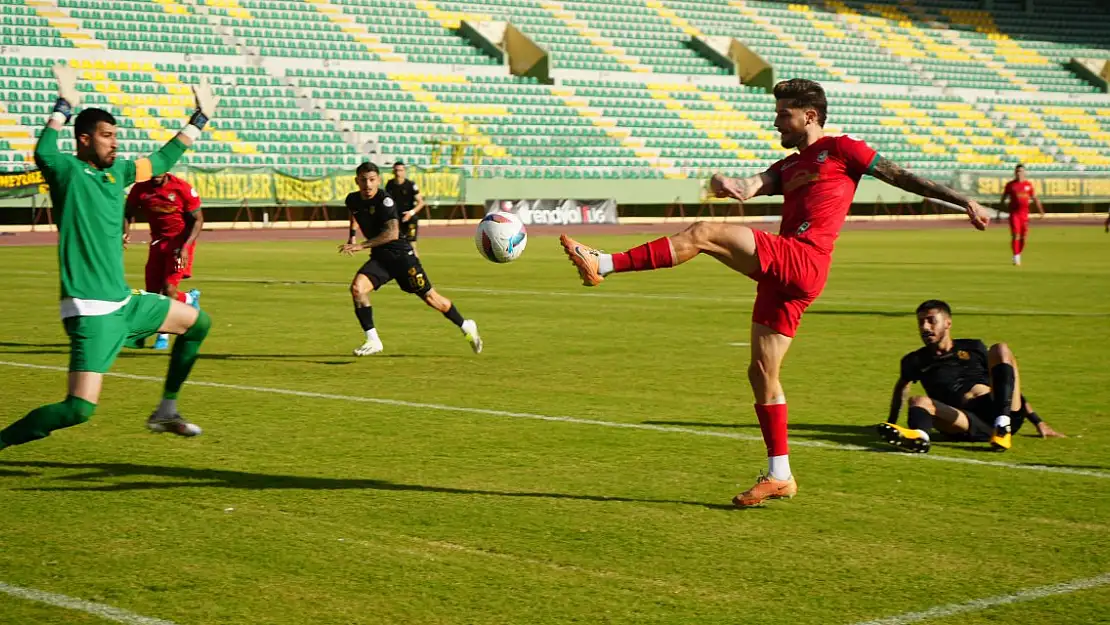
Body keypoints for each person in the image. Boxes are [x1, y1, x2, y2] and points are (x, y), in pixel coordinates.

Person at [558, 78, 991, 507]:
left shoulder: (842, 149)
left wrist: (962, 201)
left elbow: (901, 176)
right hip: (787, 274)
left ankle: (605, 263)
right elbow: (748, 188)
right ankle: (780, 473)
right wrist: (725, 183)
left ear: (810, 116)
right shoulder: (788, 166)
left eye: (783, 114)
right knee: (761, 373)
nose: (775, 122)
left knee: (704, 233)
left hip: (804, 259)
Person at [0, 64, 218, 450]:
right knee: (78, 410)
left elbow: (161, 160)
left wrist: (198, 120)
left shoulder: (118, 172)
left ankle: (166, 410)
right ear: (84, 140)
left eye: (116, 136)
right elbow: (43, 150)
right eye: (106, 137)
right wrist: (64, 104)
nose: (114, 144)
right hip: (90, 311)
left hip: (124, 303)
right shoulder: (66, 170)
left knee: (198, 324)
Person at [878, 300, 1064, 453]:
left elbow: (1005, 381)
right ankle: (919, 438)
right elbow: (901, 387)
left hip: (1001, 410)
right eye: (921, 322)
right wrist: (891, 422)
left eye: (931, 320)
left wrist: (1038, 421)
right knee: (918, 401)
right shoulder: (915, 360)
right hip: (965, 419)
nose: (925, 327)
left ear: (948, 323)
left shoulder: (973, 347)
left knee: (1000, 349)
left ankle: (1002, 426)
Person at [341, 162, 481, 356]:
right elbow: (354, 213)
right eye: (363, 180)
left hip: (402, 259)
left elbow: (392, 233)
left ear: (378, 180)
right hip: (381, 259)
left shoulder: (385, 200)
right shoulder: (352, 199)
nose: (368, 184)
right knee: (357, 289)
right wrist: (352, 234)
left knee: (432, 298)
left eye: (372, 180)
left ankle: (466, 325)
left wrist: (360, 245)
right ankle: (373, 340)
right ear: (357, 181)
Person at [125, 172, 203, 349]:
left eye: (158, 172)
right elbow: (127, 212)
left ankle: (163, 336)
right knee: (152, 293)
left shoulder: (181, 188)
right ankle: (189, 298)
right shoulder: (140, 188)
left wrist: (185, 247)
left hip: (180, 243)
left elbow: (198, 220)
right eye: (151, 173)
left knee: (168, 289)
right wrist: (125, 231)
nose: (154, 176)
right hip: (157, 243)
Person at [999, 164, 1044, 266]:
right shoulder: (1010, 185)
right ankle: (1016, 256)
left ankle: (1018, 253)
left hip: (1024, 215)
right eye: (1018, 171)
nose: (1019, 173)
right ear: (1015, 172)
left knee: (1023, 237)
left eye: (1021, 171)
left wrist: (1041, 211)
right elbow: (1003, 198)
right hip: (1014, 214)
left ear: (1024, 173)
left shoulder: (1028, 185)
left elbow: (1035, 198)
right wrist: (999, 211)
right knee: (1016, 235)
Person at [385, 160, 425, 257]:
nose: (398, 173)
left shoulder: (411, 185)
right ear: (393, 172)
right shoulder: (390, 185)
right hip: (395, 219)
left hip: (409, 219)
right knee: (394, 244)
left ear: (404, 171)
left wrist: (410, 213)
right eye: (396, 170)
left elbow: (421, 203)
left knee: (412, 244)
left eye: (400, 170)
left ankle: (416, 265)